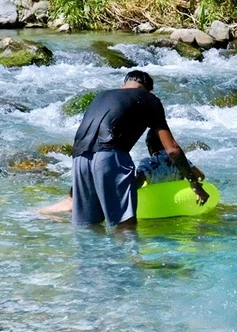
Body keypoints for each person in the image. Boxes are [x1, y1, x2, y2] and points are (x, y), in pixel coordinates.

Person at [71, 70, 208, 226]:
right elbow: (172, 150)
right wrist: (194, 185)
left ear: (122, 86)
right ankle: (125, 251)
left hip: (79, 157)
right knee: (124, 227)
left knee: (88, 227)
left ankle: (93, 251)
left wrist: (74, 190)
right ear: (149, 91)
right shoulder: (149, 99)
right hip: (110, 156)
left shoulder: (101, 96)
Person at [37, 129, 206, 216]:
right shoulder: (183, 162)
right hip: (179, 203)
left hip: (156, 205)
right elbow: (200, 176)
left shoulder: (150, 163)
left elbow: (137, 182)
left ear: (150, 148)